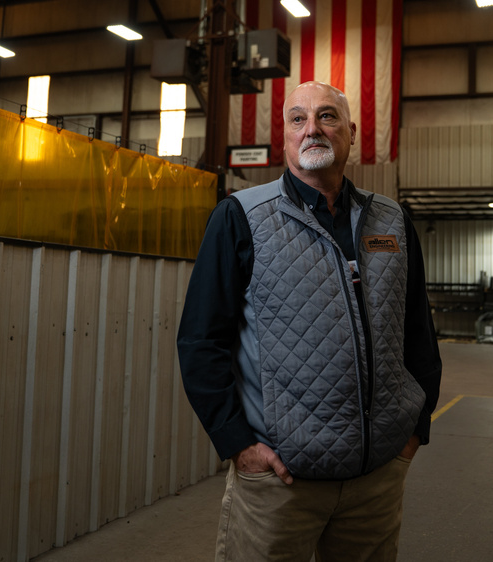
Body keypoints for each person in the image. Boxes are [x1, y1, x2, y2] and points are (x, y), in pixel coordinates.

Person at [177, 80, 442, 561]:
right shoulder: (241, 218)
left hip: (376, 481)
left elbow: (417, 333)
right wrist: (239, 445)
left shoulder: (392, 222)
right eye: (298, 118)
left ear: (351, 132)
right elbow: (200, 341)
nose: (312, 129)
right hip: (281, 483)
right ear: (285, 135)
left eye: (327, 116)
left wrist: (415, 429)